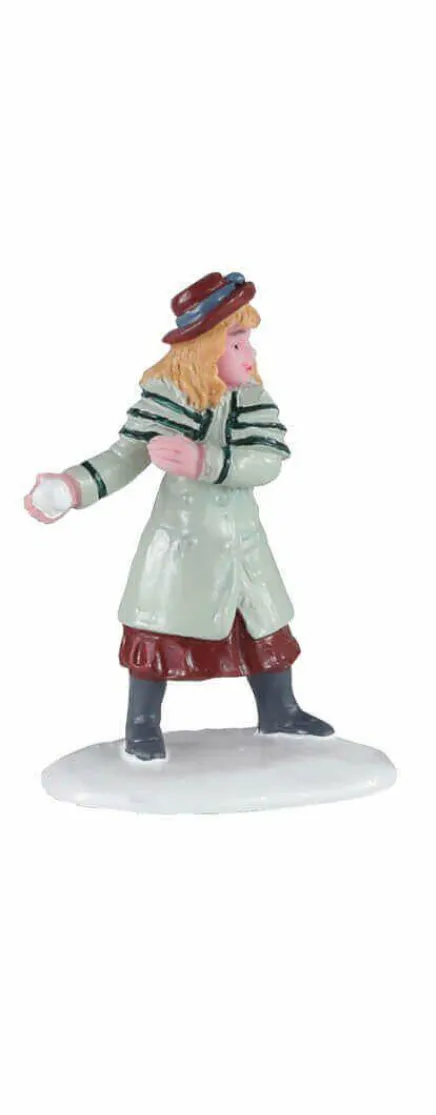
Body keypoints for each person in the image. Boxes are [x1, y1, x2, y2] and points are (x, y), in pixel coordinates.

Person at [24, 272, 332, 760]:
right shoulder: (168, 400)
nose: (249, 353)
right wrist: (72, 486)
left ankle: (280, 709)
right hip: (181, 540)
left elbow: (267, 461)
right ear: (205, 349)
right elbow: (125, 456)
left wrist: (205, 461)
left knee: (264, 622)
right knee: (156, 630)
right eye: (236, 342)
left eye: (248, 340)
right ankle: (142, 724)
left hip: (243, 539)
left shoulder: (252, 400)